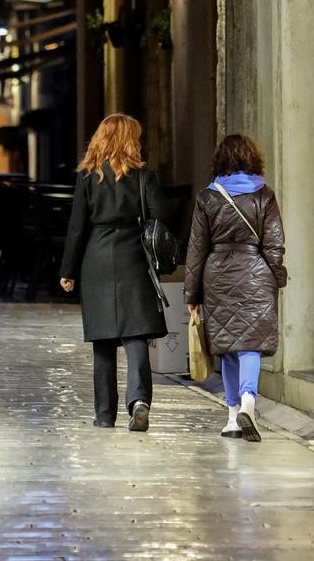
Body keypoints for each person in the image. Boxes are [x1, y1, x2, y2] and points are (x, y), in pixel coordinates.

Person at [59, 114, 169, 432]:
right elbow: (161, 216)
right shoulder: (143, 175)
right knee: (136, 335)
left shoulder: (88, 176)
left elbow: (77, 227)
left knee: (103, 341)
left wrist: (68, 270)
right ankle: (139, 401)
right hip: (133, 257)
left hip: (96, 259)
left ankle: (105, 415)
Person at [184, 133, 287, 443]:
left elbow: (196, 249)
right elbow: (275, 243)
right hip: (256, 272)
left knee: (228, 346)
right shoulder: (264, 195)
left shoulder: (208, 197)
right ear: (252, 159)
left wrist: (192, 293)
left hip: (218, 276)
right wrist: (277, 276)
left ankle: (232, 418)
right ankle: (249, 402)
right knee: (250, 344)